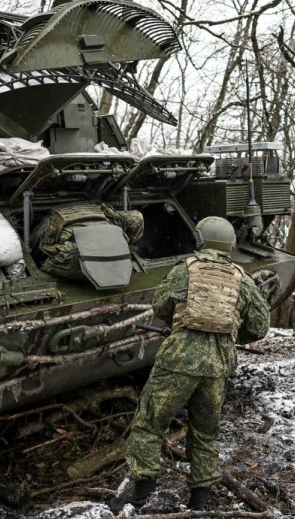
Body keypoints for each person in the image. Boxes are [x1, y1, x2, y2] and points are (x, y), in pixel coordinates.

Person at [110, 217, 269, 512]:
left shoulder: (185, 270)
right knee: (205, 432)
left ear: (200, 240)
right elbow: (259, 327)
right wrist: (231, 332)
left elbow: (160, 306)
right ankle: (200, 502)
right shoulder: (242, 278)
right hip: (219, 365)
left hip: (179, 360)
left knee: (149, 424)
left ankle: (141, 495)